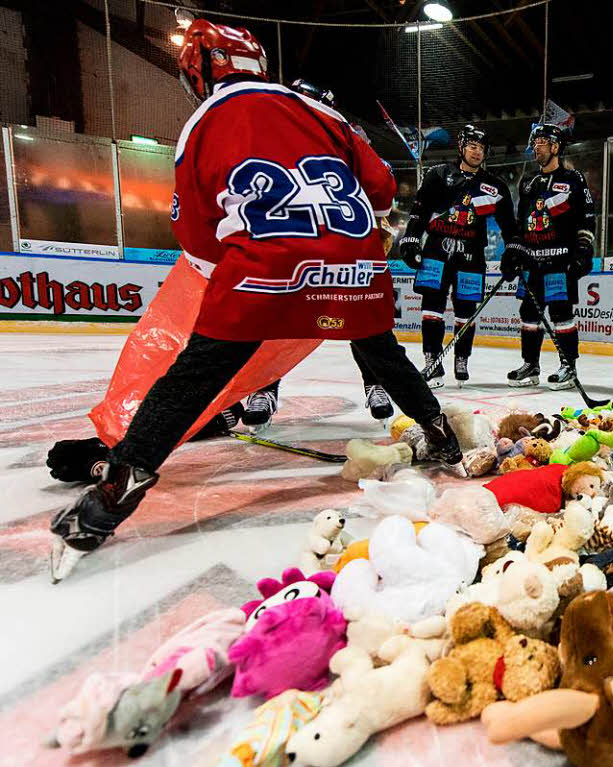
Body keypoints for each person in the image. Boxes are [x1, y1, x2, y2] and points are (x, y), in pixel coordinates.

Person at [49, 19, 461, 582]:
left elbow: (194, 235)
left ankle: (113, 495)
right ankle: (441, 435)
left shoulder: (203, 122)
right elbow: (386, 189)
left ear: (199, 71)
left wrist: (252, 273)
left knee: (194, 375)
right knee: (380, 352)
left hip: (262, 272)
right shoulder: (324, 113)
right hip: (357, 267)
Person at [241, 79, 396, 429]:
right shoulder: (268, 136)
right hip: (290, 242)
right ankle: (262, 389)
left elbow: (378, 183)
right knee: (274, 318)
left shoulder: (346, 134)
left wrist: (377, 222)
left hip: (341, 243)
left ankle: (376, 384)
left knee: (361, 315)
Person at [398, 125, 520, 388]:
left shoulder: (494, 186)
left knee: (466, 311)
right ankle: (432, 360)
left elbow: (510, 226)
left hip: (471, 256)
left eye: (482, 148)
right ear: (462, 147)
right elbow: (419, 211)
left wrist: (513, 251)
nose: (477, 152)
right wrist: (410, 238)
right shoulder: (438, 174)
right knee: (432, 308)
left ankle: (462, 358)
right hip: (435, 253)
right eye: (473, 146)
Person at [502, 123, 596, 389]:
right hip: (533, 262)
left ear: (556, 147)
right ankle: (531, 365)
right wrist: (514, 252)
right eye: (535, 142)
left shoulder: (574, 179)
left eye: (541, 142)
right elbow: (521, 224)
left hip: (560, 261)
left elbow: (587, 219)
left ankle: (569, 366)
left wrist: (583, 250)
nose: (536, 147)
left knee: (561, 313)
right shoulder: (529, 182)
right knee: (528, 312)